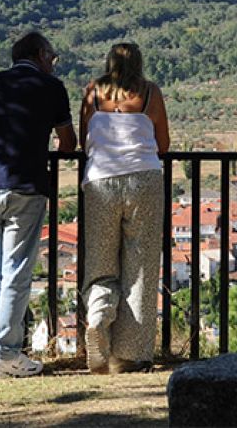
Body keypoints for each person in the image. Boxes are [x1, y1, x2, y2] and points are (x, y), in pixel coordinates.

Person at [0, 31, 74, 379]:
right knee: (16, 269)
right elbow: (67, 142)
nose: (53, 63)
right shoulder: (51, 87)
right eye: (53, 57)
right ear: (42, 55)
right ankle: (7, 354)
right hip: (25, 184)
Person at [80, 42, 170, 374]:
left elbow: (82, 139)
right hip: (144, 180)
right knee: (141, 265)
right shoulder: (150, 93)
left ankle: (99, 318)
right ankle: (131, 356)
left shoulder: (93, 91)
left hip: (101, 182)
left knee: (101, 260)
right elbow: (163, 144)